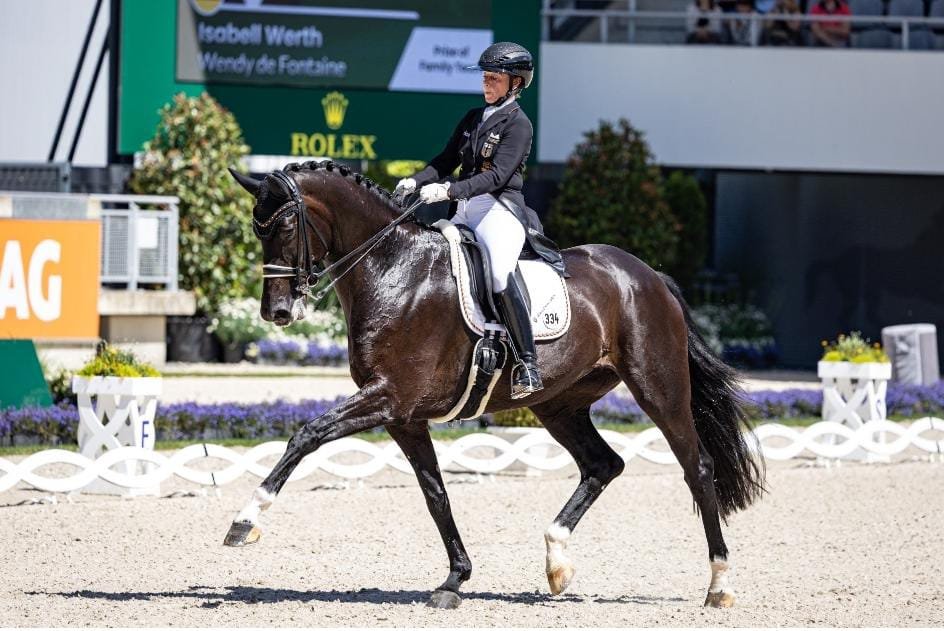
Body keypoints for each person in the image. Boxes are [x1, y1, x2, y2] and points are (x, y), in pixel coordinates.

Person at [394, 42, 563, 399]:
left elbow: (497, 176)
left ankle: (527, 364)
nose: (487, 85)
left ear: (515, 83)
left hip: (498, 210)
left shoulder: (520, 124)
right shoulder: (473, 118)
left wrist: (449, 192)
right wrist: (417, 180)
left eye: (494, 79)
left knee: (500, 273)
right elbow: (444, 160)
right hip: (464, 209)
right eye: (485, 78)